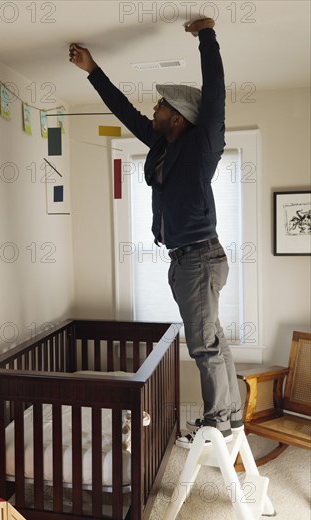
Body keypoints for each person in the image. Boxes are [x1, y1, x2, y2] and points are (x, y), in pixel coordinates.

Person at [69, 18, 243, 448]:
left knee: (203, 345)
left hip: (199, 256)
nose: (154, 110)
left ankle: (217, 422)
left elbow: (215, 94)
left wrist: (207, 37)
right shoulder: (162, 145)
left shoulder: (202, 145)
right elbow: (124, 111)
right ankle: (230, 413)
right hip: (188, 258)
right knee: (212, 339)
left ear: (179, 117)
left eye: (162, 105)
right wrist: (94, 72)